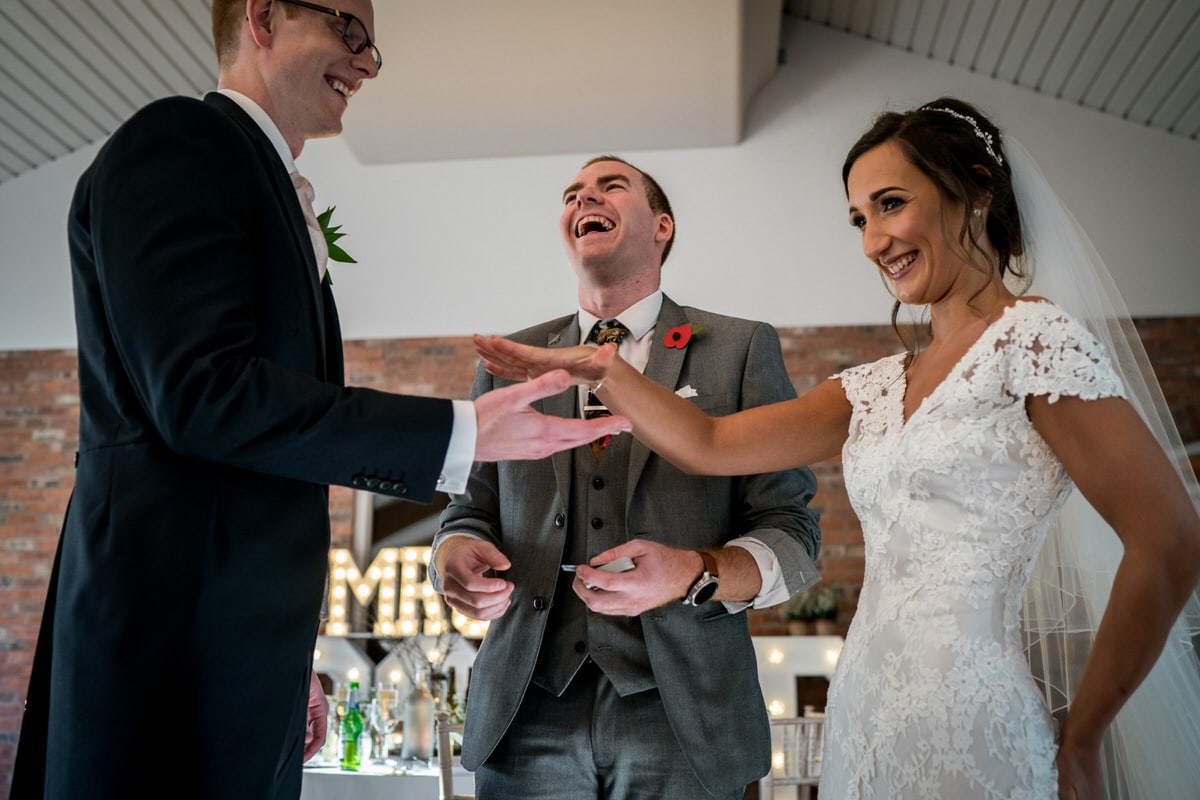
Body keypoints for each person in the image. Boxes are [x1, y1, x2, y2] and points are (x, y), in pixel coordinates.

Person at [475, 100, 1200, 799]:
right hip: (866, 711)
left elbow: (1167, 540)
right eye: (859, 218)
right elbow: (709, 441)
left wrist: (1086, 733)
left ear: (974, 191)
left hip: (975, 716)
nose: (873, 242)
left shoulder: (1034, 340)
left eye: (890, 204)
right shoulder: (878, 384)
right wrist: (599, 364)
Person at [9, 3, 628, 799]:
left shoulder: (254, 177)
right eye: (350, 30)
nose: (368, 64)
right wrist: (460, 430)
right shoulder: (178, 141)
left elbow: (263, 451)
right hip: (168, 646)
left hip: (233, 649)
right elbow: (202, 395)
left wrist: (288, 658)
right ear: (264, 16)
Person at [430, 155, 822, 799]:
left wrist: (695, 571)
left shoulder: (740, 349)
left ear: (662, 226)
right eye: (572, 193)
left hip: (685, 714)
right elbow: (465, 511)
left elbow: (792, 531)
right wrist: (452, 553)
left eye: (612, 186)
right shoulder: (511, 362)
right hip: (525, 712)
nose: (586, 197)